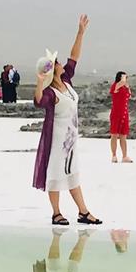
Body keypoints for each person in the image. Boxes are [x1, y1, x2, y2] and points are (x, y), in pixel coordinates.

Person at [33, 14, 102, 226]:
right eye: (59, 63)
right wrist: (40, 82)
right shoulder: (51, 93)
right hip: (57, 141)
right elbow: (38, 101)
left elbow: (74, 56)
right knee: (55, 174)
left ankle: (83, 211)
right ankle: (56, 213)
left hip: (71, 141)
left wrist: (80, 32)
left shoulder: (66, 81)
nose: (63, 65)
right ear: (53, 69)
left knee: (73, 174)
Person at [109, 71, 133, 163]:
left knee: (123, 135)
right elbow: (121, 83)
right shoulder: (115, 86)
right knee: (114, 135)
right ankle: (114, 155)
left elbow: (129, 95)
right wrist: (123, 78)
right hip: (116, 113)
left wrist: (127, 86)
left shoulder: (125, 86)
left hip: (124, 113)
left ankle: (124, 156)